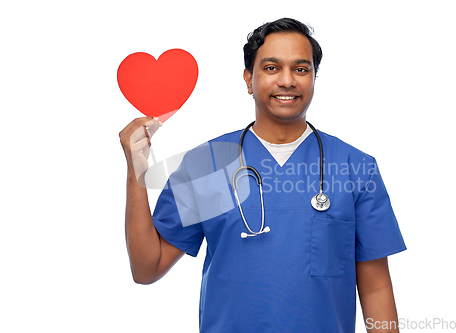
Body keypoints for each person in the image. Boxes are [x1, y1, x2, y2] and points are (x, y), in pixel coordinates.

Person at [119, 18, 406, 333]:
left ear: (314, 78)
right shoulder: (209, 166)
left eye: (301, 69)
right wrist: (137, 171)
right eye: (271, 68)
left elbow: (375, 288)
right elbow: (147, 268)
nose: (287, 80)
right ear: (248, 80)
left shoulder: (355, 168)